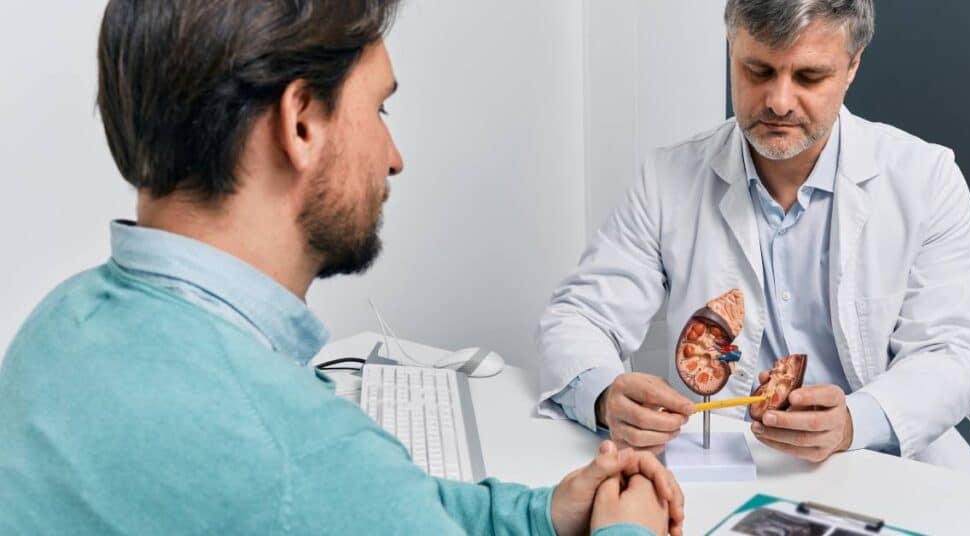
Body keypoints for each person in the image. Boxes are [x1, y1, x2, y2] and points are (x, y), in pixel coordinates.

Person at [0, 1, 684, 534]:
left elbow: (372, 508)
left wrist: (537, 517)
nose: (393, 156)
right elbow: (333, 492)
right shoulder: (296, 453)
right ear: (300, 123)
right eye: (378, 108)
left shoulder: (57, 326)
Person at [536, 0, 970, 472]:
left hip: (887, 463)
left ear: (852, 67)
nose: (778, 101)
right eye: (757, 70)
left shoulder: (926, 179)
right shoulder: (668, 178)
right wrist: (606, 395)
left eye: (809, 78)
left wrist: (854, 422)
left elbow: (952, 352)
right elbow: (579, 317)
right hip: (723, 469)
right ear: (731, 48)